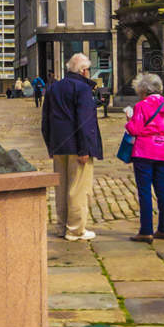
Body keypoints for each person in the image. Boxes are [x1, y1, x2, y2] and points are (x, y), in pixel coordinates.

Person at [41, 52, 103, 242]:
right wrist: (85, 149)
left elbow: (45, 120)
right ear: (84, 71)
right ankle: (75, 229)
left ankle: (62, 226)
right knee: (78, 188)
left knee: (61, 189)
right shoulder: (82, 89)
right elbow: (85, 122)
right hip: (77, 146)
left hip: (59, 145)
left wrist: (50, 146)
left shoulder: (53, 88)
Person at [124, 72, 164, 242]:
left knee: (145, 190)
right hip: (163, 151)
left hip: (144, 151)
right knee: (162, 189)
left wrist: (128, 119)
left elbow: (135, 129)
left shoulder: (141, 106)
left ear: (144, 90)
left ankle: (146, 230)